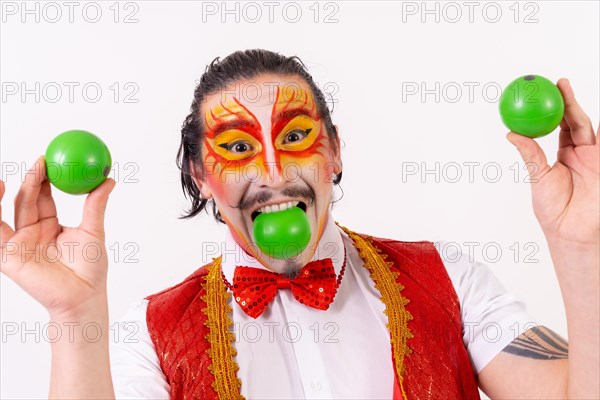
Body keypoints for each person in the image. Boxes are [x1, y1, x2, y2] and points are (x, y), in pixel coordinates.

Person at [0, 49, 598, 399]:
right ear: (201, 176)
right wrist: (73, 316)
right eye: (235, 147)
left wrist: (584, 250)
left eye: (294, 137)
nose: (272, 171)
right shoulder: (150, 336)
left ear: (334, 153)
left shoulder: (450, 279)